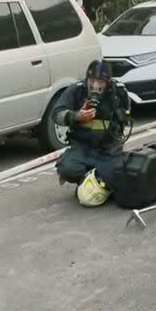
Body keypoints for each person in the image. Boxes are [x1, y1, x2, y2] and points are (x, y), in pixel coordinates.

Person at [53, 60, 131, 206]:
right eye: (92, 80)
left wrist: (114, 114)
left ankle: (99, 180)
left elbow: (126, 121)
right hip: (82, 147)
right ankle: (85, 180)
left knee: (120, 177)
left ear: (108, 82)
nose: (95, 85)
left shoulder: (117, 93)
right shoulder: (76, 90)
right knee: (67, 168)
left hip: (108, 149)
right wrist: (76, 116)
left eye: (100, 81)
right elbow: (56, 114)